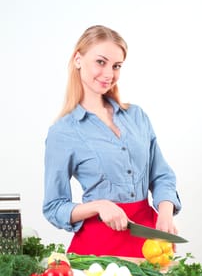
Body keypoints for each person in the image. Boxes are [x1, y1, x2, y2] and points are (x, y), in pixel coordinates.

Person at [42, 25, 182, 257]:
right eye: (101, 62)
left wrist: (165, 212)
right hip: (98, 249)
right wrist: (99, 205)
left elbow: (161, 175)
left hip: (149, 242)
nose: (109, 74)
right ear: (78, 59)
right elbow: (54, 206)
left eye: (116, 66)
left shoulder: (137, 117)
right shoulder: (63, 132)